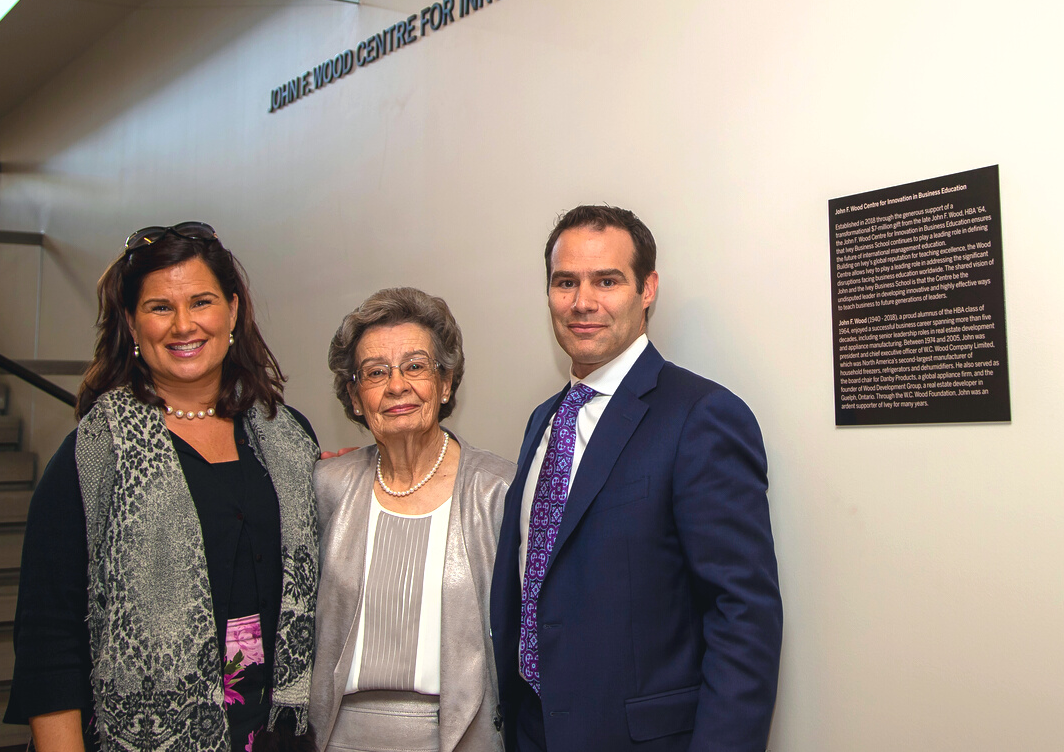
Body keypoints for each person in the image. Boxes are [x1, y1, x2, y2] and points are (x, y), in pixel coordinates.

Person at [5, 223, 321, 752]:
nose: (183, 325)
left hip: (281, 734)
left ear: (233, 311)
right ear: (131, 322)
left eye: (201, 301)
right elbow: (48, 640)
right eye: (159, 308)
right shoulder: (96, 453)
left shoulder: (289, 438)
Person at [490, 206, 783, 752]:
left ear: (647, 289)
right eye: (565, 282)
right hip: (534, 732)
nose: (583, 302)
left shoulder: (702, 417)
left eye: (607, 280)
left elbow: (742, 616)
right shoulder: (542, 421)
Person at [309, 288, 515, 752]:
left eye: (416, 366)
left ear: (445, 384)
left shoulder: (499, 490)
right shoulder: (327, 486)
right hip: (340, 737)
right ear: (355, 397)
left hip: (465, 736)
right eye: (375, 373)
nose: (396, 386)